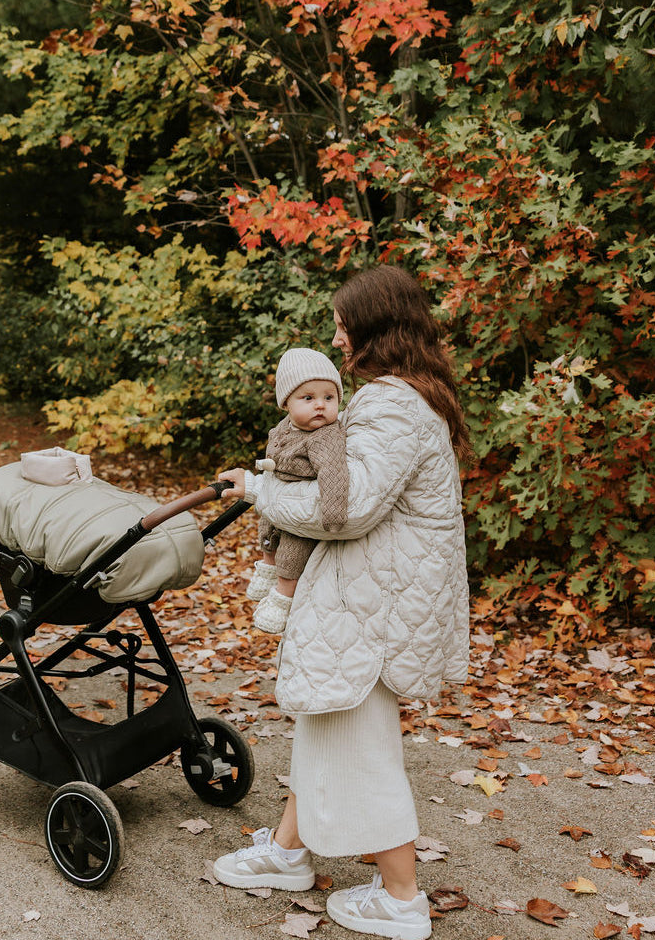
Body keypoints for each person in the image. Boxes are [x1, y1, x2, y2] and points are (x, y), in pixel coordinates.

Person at [213, 265, 472, 940]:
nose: (335, 333)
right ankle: (287, 852)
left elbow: (345, 509)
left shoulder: (392, 405)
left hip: (375, 602)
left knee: (360, 745)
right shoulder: (410, 397)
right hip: (378, 592)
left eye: (342, 322)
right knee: (327, 723)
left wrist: (256, 493)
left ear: (375, 328)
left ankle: (401, 897)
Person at [246, 347, 349, 634]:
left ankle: (282, 598)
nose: (320, 405)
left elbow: (333, 473)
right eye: (308, 398)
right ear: (286, 404)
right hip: (280, 495)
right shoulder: (284, 427)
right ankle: (267, 569)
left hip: (302, 507)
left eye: (329, 398)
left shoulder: (325, 435)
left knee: (292, 551)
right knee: (266, 529)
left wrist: (333, 513)